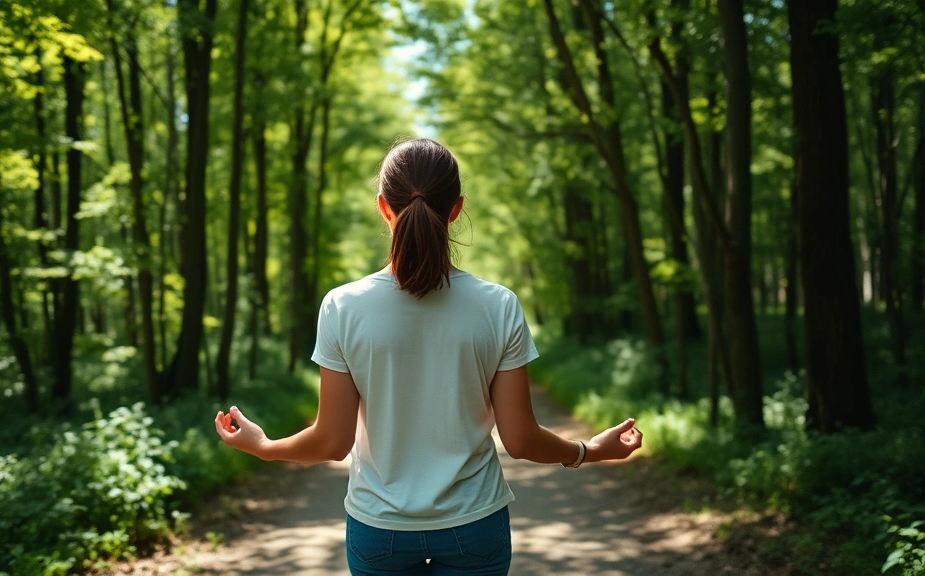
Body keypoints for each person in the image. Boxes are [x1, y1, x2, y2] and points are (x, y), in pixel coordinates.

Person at [214, 138, 643, 575]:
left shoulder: (342, 306)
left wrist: (265, 448)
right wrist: (588, 451)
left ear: (384, 207)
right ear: (456, 209)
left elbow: (332, 441)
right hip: (475, 524)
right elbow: (520, 439)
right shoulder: (498, 305)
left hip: (378, 528)